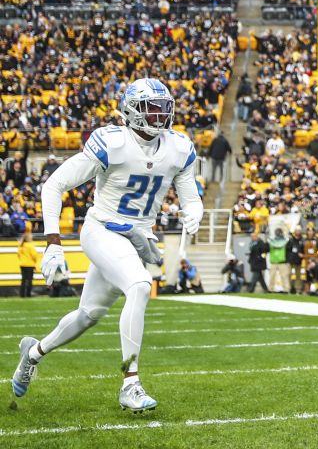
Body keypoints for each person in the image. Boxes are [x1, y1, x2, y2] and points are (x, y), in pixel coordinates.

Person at [11, 78, 203, 412]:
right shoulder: (112, 142)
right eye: (151, 108)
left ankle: (32, 353)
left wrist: (194, 213)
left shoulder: (178, 148)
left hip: (138, 238)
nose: (159, 116)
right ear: (131, 111)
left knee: (88, 315)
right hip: (102, 229)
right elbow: (53, 186)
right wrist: (53, 242)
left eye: (163, 108)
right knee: (140, 286)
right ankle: (131, 383)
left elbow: (191, 196)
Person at [267, 226, 289, 292]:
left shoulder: (285, 240)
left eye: (279, 232)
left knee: (284, 276)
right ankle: (270, 289)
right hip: (274, 261)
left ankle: (286, 289)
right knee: (272, 277)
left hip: (282, 261)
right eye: (277, 232)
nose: (278, 233)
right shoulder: (272, 240)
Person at [17, 231, 37, 298]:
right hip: (30, 265)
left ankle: (22, 294)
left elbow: (18, 255)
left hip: (22, 265)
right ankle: (28, 294)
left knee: (23, 280)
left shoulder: (21, 245)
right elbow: (34, 255)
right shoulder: (30, 245)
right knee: (29, 280)